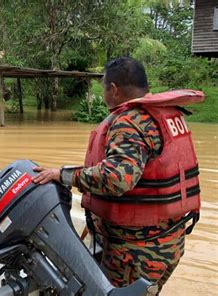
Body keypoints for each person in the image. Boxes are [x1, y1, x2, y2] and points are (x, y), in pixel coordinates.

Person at [32, 57, 202, 291]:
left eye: (103, 87)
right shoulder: (168, 114)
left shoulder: (130, 122)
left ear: (113, 89)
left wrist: (63, 175)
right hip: (170, 242)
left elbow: (116, 178)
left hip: (135, 253)